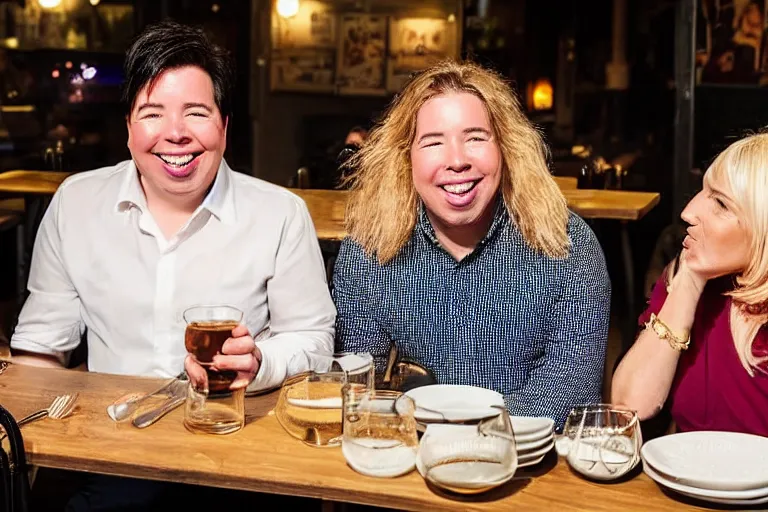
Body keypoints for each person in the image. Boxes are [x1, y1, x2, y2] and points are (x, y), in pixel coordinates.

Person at [9, 20, 335, 509]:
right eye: (153, 113)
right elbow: (41, 353)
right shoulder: (77, 204)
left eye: (196, 113)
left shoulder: (279, 214)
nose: (175, 134)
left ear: (224, 126)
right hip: (112, 450)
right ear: (128, 128)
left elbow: (313, 339)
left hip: (238, 447)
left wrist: (260, 362)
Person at [331, 60, 611, 429]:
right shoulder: (369, 247)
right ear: (405, 158)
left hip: (531, 465)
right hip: (415, 458)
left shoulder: (568, 246)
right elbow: (362, 383)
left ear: (506, 147)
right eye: (433, 142)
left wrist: (459, 437)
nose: (458, 160)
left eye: (476, 137)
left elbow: (568, 394)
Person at [612, 133, 768, 437]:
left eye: (720, 203)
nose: (689, 212)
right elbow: (629, 405)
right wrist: (688, 281)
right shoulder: (693, 277)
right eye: (703, 191)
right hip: (688, 481)